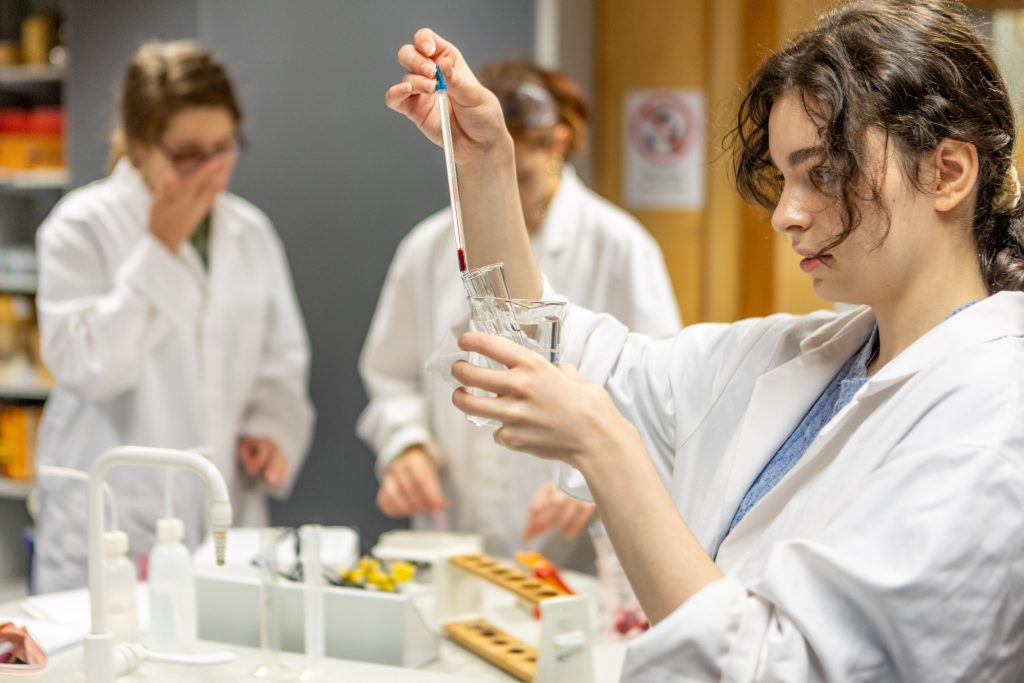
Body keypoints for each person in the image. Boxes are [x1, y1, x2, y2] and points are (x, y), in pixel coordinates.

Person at [386, 1, 1024, 679]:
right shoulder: (806, 360)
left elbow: (787, 668)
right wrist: (487, 169)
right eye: (785, 178)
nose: (786, 214)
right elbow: (554, 352)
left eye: (824, 174)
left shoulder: (993, 421)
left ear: (949, 172)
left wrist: (606, 447)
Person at [359, 60, 680, 571]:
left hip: (575, 548)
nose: (503, 196)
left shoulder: (620, 247)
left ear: (556, 144)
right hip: (455, 533)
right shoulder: (427, 248)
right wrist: (407, 445)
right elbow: (390, 375)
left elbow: (659, 397)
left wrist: (598, 478)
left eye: (520, 176)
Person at [34, 41, 315, 592]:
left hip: (221, 514)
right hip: (115, 524)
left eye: (224, 148)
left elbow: (279, 362)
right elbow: (90, 367)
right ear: (140, 147)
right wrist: (158, 250)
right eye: (188, 154)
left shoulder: (249, 233)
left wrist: (270, 428)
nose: (210, 171)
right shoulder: (81, 228)